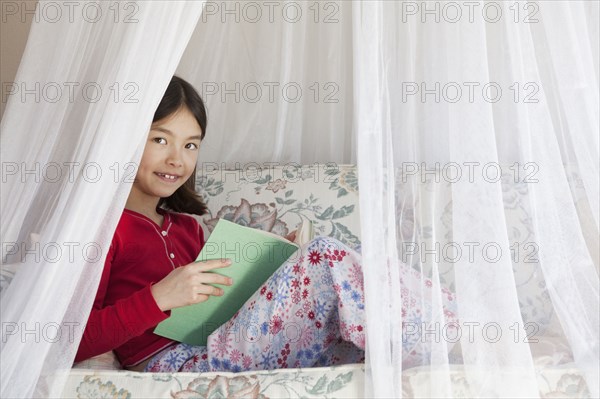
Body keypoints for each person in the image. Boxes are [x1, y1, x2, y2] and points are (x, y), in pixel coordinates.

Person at [75, 76, 457, 373]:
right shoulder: (104, 230)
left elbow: (217, 311)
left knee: (334, 308)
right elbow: (72, 340)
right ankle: (447, 332)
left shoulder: (188, 229)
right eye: (161, 139)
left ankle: (441, 332)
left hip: (219, 343)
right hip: (170, 365)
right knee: (324, 256)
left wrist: (275, 266)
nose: (177, 158)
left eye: (191, 145)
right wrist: (160, 297)